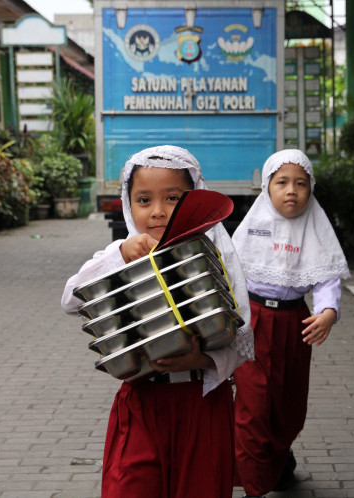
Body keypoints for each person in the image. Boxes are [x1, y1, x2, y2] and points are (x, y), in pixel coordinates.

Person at [61, 145, 254, 498]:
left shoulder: (212, 256)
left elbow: (241, 341)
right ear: (128, 203)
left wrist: (201, 360)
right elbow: (71, 299)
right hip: (142, 402)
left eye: (173, 198)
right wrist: (119, 255)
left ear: (194, 200)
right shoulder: (118, 253)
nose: (158, 211)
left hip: (202, 404)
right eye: (144, 200)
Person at [231, 149, 350, 497]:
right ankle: (256, 485)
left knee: (288, 406)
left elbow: (327, 279)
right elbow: (229, 277)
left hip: (294, 325)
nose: (291, 190)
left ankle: (280, 460)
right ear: (267, 187)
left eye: (301, 183)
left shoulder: (316, 225)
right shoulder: (251, 227)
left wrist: (328, 312)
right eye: (281, 182)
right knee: (253, 406)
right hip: (251, 323)